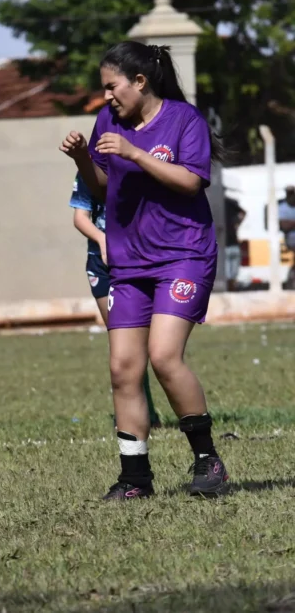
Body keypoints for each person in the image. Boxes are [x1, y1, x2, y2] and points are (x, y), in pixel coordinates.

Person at [62, 41, 230, 501]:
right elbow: (99, 188)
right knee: (123, 367)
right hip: (129, 261)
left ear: (140, 82)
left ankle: (207, 459)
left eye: (112, 87)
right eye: (103, 89)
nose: (107, 97)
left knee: (163, 355)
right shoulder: (107, 122)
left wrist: (136, 154)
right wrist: (82, 158)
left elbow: (191, 180)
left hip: (183, 255)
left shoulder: (183, 120)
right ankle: (135, 478)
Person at [69, 172, 161, 429]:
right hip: (103, 265)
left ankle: (150, 412)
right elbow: (80, 217)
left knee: (153, 345)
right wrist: (101, 239)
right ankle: (144, 415)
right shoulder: (89, 167)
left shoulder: (139, 163)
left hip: (140, 259)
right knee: (123, 345)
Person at [223, 195, 245, 292]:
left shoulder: (214, 202)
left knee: (229, 273)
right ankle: (231, 288)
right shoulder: (230, 202)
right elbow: (243, 212)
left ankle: (231, 288)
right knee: (231, 273)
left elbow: (243, 212)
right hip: (231, 243)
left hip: (228, 243)